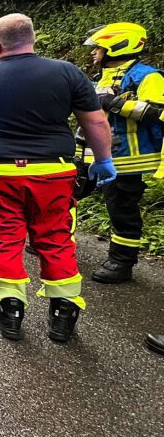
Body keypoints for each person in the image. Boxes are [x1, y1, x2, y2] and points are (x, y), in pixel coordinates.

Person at [0, 14, 115, 342]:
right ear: (32, 39)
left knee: (4, 238)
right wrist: (103, 160)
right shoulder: (68, 73)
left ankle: (11, 311)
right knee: (57, 239)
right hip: (54, 173)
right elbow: (97, 123)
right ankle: (63, 314)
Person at [80, 23, 164, 284]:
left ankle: (121, 262)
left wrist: (115, 103)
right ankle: (52, 242)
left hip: (128, 158)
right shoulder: (101, 77)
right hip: (94, 154)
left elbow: (156, 111)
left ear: (117, 46)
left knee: (122, 210)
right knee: (68, 193)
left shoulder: (147, 76)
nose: (94, 52)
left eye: (99, 47)